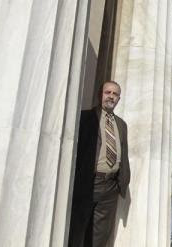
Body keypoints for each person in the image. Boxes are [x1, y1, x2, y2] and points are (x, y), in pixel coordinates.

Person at [69, 80, 131, 247]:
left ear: (119, 98)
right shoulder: (85, 117)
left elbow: (123, 154)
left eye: (115, 94)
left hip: (110, 187)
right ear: (100, 95)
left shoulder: (121, 124)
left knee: (101, 236)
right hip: (88, 183)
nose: (111, 96)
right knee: (77, 230)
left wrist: (121, 184)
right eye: (108, 92)